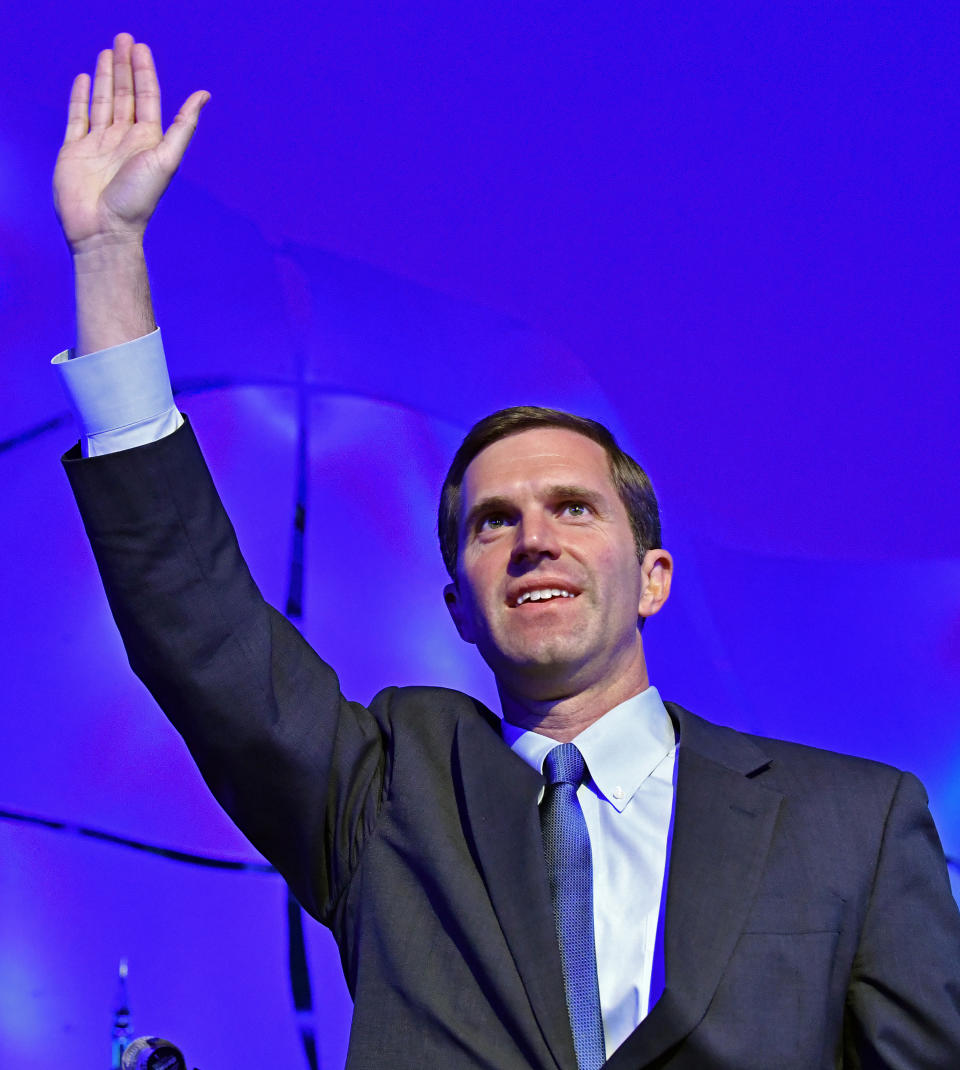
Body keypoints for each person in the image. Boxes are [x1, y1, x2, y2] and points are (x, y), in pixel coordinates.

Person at [54, 34, 960, 1070]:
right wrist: (108, 255)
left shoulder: (855, 817)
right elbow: (197, 626)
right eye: (495, 520)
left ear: (653, 577)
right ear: (456, 604)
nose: (533, 535)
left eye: (574, 509)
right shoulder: (388, 792)